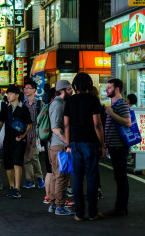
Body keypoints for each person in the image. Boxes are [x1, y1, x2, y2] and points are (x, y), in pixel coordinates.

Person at [64, 72, 105, 221]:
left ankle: (79, 214)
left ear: (75, 86)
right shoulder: (93, 100)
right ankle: (93, 213)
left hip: (75, 143)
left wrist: (68, 144)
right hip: (91, 143)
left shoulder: (70, 101)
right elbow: (97, 125)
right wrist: (103, 145)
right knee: (92, 177)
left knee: (78, 178)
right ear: (89, 84)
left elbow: (66, 125)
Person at [104, 78, 132, 217]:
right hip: (114, 146)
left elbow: (127, 122)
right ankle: (120, 206)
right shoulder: (114, 104)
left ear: (117, 89)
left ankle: (121, 207)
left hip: (119, 147)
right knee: (119, 176)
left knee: (121, 177)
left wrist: (111, 113)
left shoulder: (121, 104)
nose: (106, 90)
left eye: (109, 87)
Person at [47, 80, 74, 216]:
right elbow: (56, 128)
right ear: (62, 91)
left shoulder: (57, 103)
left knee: (55, 176)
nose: (72, 91)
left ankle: (53, 204)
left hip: (54, 145)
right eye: (69, 89)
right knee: (61, 176)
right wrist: (67, 142)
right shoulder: (58, 105)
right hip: (59, 146)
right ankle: (59, 206)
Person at [3, 85, 32, 199]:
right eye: (7, 94)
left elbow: (29, 124)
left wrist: (23, 135)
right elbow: (1, 122)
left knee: (17, 163)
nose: (8, 96)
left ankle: (17, 188)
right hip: (7, 140)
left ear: (17, 95)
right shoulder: (6, 108)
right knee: (8, 164)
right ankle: (11, 186)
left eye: (10, 94)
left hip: (20, 141)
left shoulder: (24, 108)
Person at [23, 81, 45, 189]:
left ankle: (39, 178)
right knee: (26, 158)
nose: (26, 90)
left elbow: (44, 120)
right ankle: (29, 180)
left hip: (36, 135)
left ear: (34, 90)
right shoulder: (23, 105)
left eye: (28, 88)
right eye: (25, 88)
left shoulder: (40, 104)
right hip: (26, 135)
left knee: (33, 156)